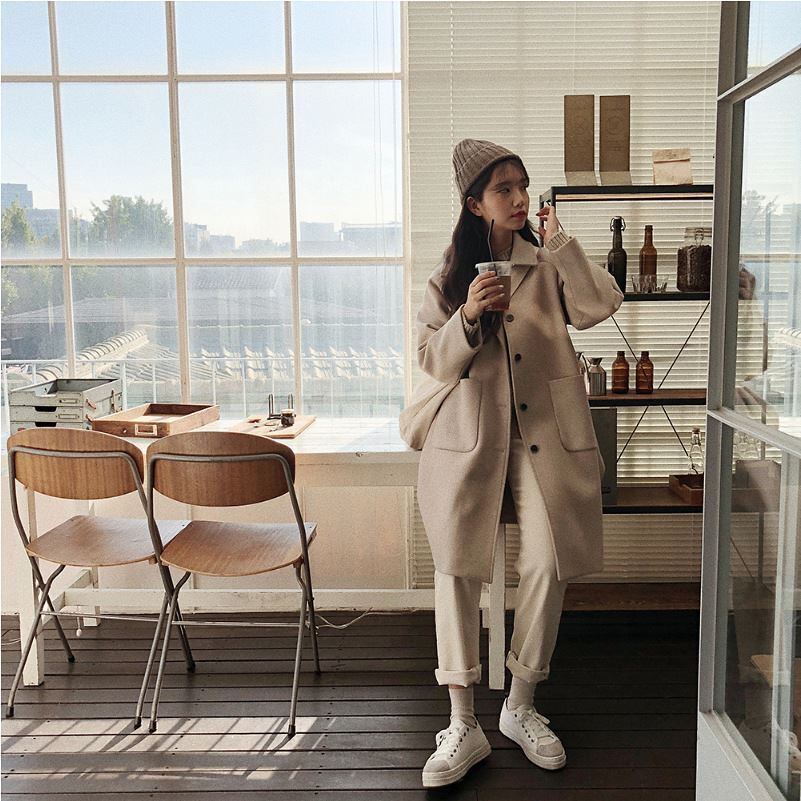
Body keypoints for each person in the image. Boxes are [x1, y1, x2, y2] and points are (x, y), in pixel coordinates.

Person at [412, 139, 624, 788]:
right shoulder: (450, 276)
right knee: (456, 567)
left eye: (522, 186)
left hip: (545, 438)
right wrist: (469, 314)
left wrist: (561, 245)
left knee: (547, 560)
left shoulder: (549, 260)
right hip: (469, 438)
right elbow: (430, 361)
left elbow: (599, 306)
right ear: (474, 203)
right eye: (502, 188)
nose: (518, 198)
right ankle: (461, 722)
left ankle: (520, 703)